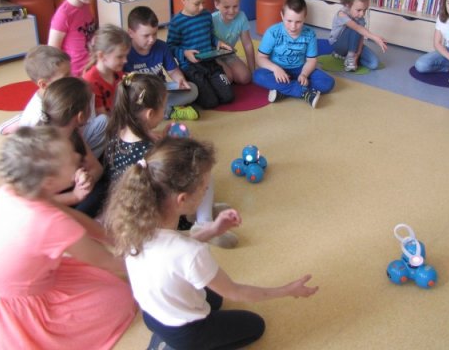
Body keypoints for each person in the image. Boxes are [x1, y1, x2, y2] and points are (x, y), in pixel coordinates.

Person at [104, 137, 318, 350]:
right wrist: (287, 290)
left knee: (214, 300)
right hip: (184, 332)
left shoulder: (135, 224)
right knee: (256, 326)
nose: (207, 191)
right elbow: (236, 292)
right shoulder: (190, 253)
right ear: (182, 199)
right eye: (205, 188)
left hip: (153, 316)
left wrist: (213, 230)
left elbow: (173, 251)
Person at [0, 126, 136, 349]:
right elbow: (105, 261)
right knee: (120, 297)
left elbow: (76, 218)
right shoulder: (48, 223)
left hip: (0, 289)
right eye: (70, 157)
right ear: (49, 181)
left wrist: (113, 238)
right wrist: (145, 265)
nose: (77, 156)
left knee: (100, 279)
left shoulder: (12, 191)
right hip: (15, 306)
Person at [105, 72, 237, 248]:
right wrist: (181, 145)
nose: (165, 111)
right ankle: (203, 222)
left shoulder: (118, 134)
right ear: (150, 114)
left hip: (135, 211)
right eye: (164, 107)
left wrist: (159, 137)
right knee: (202, 168)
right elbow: (174, 171)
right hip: (163, 216)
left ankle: (199, 212)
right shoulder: (150, 151)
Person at [0, 45, 107, 158]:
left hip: (67, 136)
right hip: (54, 151)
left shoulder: (61, 93)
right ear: (44, 84)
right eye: (66, 76)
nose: (72, 78)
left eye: (70, 72)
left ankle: (16, 121)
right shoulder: (37, 117)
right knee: (103, 122)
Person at [40, 77, 107, 216]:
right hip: (50, 205)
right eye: (90, 106)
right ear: (81, 116)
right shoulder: (44, 147)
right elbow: (38, 199)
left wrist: (87, 180)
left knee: (106, 181)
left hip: (71, 190)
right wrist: (74, 196)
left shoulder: (73, 133)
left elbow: (96, 168)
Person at [253, 0, 335, 108]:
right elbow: (260, 58)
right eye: (289, 21)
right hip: (277, 70)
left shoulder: (310, 34)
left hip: (300, 69)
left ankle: (283, 91)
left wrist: (304, 74)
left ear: (304, 18)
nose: (293, 27)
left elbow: (311, 60)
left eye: (298, 22)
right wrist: (276, 69)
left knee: (328, 82)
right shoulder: (272, 32)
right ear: (282, 16)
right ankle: (304, 92)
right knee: (258, 75)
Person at [167, 0, 235, 109]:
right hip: (191, 67)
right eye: (197, 3)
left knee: (228, 97)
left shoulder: (206, 15)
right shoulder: (176, 22)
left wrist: (218, 43)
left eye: (203, 2)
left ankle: (207, 85)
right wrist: (185, 53)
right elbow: (170, 47)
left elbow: (211, 35)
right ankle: (191, 83)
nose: (202, 7)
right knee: (210, 103)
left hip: (210, 62)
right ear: (184, 0)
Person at [124, 6, 199, 121]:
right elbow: (125, 85)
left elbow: (173, 71)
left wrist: (180, 80)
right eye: (146, 36)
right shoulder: (125, 52)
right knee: (130, 102)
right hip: (139, 95)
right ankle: (169, 111)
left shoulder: (162, 46)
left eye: (155, 34)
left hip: (161, 90)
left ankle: (159, 111)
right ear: (131, 33)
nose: (152, 40)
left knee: (193, 90)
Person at [48, 0, 101, 76]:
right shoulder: (64, 14)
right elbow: (52, 52)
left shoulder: (86, 4)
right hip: (75, 74)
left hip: (90, 67)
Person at [329, 0, 387, 72]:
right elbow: (357, 28)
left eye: (365, 10)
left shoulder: (360, 18)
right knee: (356, 26)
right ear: (348, 5)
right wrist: (375, 37)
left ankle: (349, 58)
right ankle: (347, 56)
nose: (362, 14)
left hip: (353, 45)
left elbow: (361, 37)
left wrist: (357, 54)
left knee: (374, 64)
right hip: (339, 45)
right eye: (359, 10)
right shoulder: (341, 14)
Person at [212, 0, 256, 84]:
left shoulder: (242, 17)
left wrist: (252, 70)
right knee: (228, 78)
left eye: (235, 6)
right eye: (226, 7)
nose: (231, 11)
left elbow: (247, 44)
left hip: (229, 55)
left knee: (245, 78)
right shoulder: (212, 19)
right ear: (217, 4)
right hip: (213, 57)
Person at [82, 24, 131, 115]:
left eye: (126, 56)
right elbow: (103, 117)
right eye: (120, 57)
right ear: (101, 56)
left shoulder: (118, 73)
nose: (125, 61)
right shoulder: (91, 80)